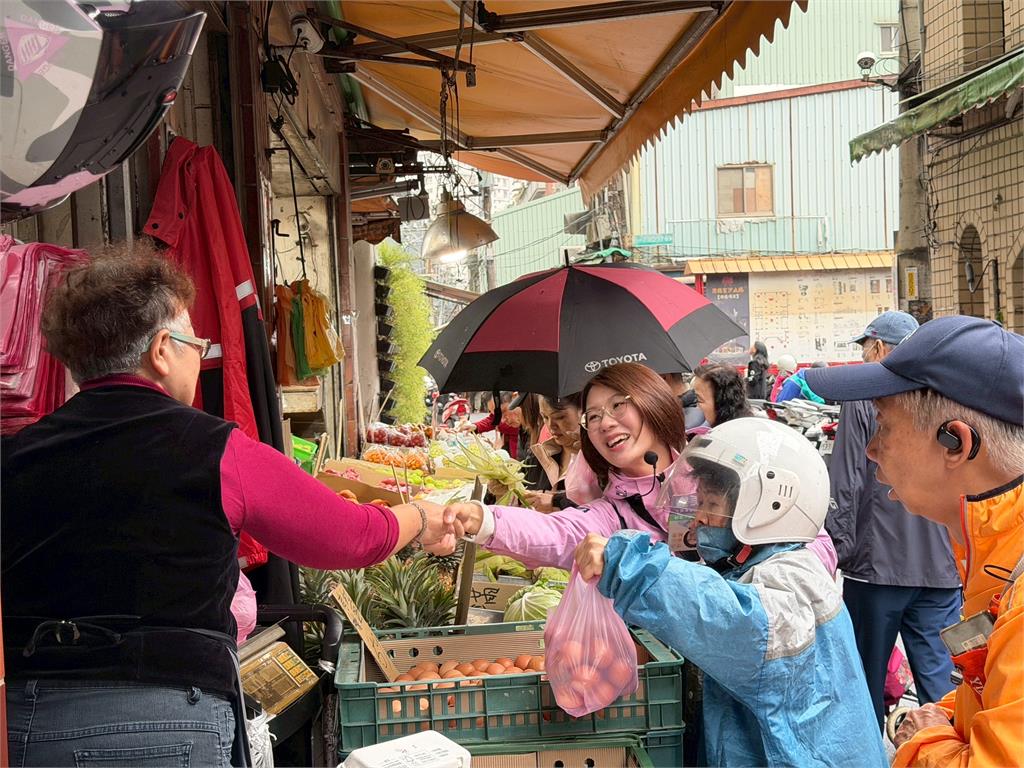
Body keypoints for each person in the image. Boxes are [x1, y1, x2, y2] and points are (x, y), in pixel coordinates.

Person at [2, 248, 457, 766]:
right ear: (160, 350)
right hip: (166, 720)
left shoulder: (17, 453)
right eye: (195, 342)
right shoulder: (214, 449)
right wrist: (420, 516)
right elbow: (351, 536)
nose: (200, 354)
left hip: (24, 722)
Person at [573, 418, 885, 767]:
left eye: (711, 505)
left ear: (768, 506)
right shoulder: (754, 568)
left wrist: (627, 564)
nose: (698, 521)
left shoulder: (795, 578)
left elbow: (736, 621)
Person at [805, 315, 1024, 767]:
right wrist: (944, 716)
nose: (870, 449)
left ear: (955, 443)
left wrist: (922, 740)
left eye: (883, 426)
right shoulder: (992, 550)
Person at [430, 363, 836, 575]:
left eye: (617, 406)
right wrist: (484, 520)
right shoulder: (615, 509)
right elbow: (559, 534)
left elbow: (809, 537)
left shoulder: (723, 466)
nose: (604, 422)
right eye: (592, 416)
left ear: (652, 402)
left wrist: (769, 588)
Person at [827, 311, 961, 727]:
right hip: (942, 569)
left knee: (864, 678)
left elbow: (846, 479)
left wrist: (839, 550)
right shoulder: (948, 391)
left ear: (880, 348)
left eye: (867, 348)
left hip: (878, 567)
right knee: (943, 684)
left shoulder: (867, 395)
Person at [522, 393, 582, 512]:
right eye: (545, 417)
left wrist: (556, 501)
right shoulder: (538, 457)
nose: (551, 426)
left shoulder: (599, 462)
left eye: (560, 417)